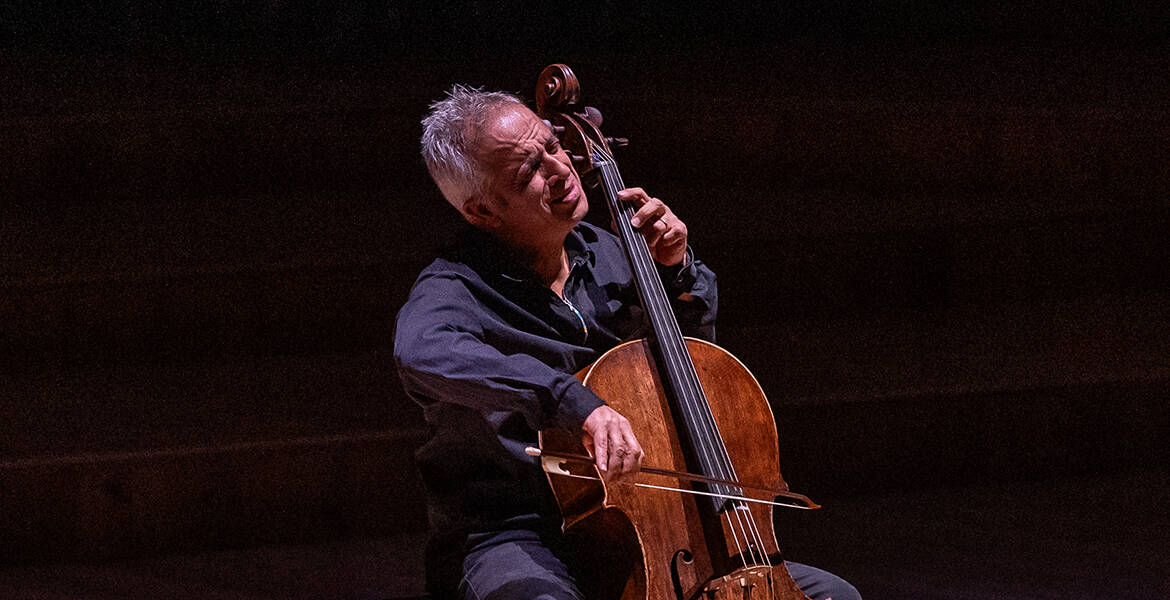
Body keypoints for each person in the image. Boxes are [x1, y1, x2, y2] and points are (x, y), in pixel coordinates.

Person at [395, 84, 860, 600]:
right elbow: (421, 354)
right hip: (517, 531)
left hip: (648, 525)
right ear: (482, 211)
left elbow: (691, 373)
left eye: (552, 145)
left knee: (833, 596)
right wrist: (569, 401)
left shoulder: (612, 253)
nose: (559, 170)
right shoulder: (454, 288)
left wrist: (679, 273)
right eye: (527, 172)